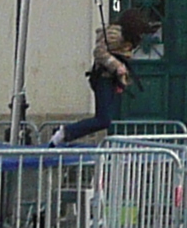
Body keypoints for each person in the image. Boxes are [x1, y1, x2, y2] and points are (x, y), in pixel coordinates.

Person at [49, 13, 146, 144]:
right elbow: (99, 52)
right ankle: (64, 132)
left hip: (109, 78)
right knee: (103, 119)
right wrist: (116, 66)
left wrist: (122, 79)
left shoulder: (126, 37)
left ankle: (65, 133)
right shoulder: (116, 35)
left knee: (104, 119)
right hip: (103, 78)